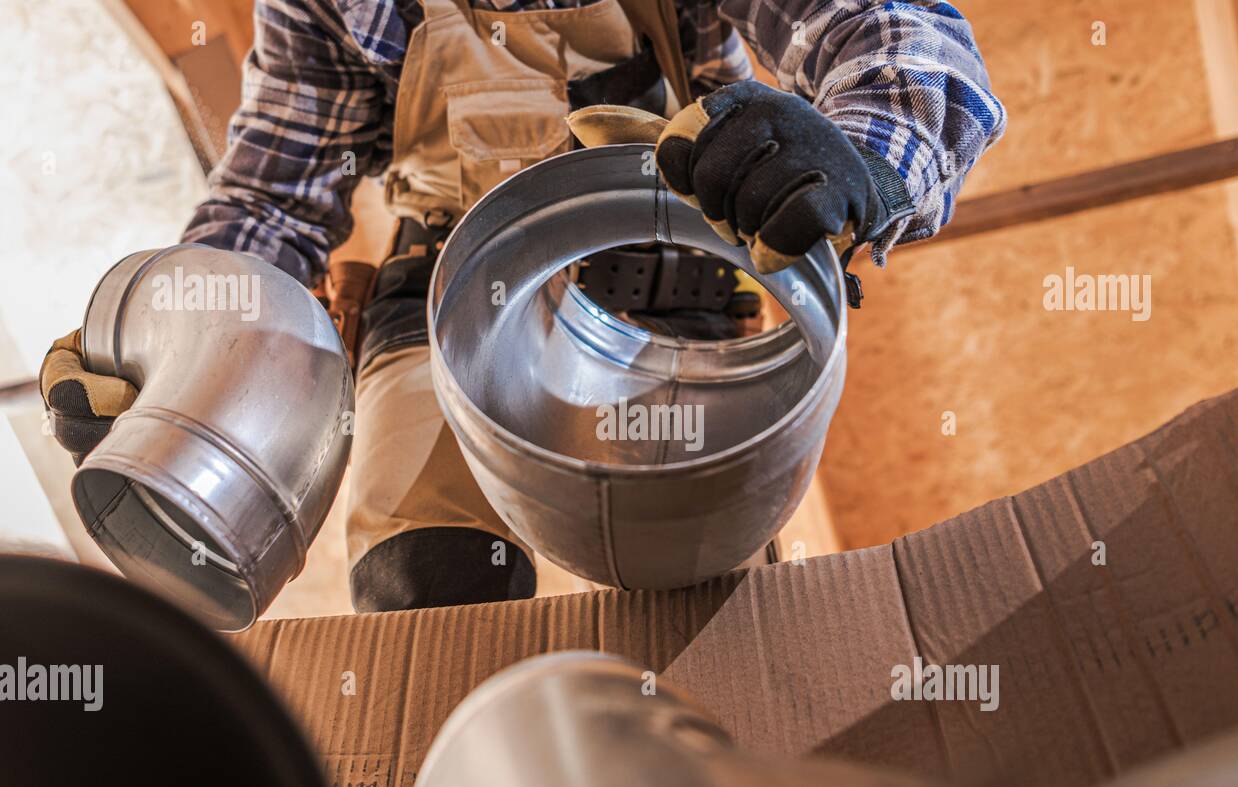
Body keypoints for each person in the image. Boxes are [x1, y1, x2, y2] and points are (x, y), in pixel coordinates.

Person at [40, 0, 1006, 612]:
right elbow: (271, 198)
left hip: (663, 290)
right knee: (432, 592)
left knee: (696, 610)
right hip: (440, 305)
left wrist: (868, 154)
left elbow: (896, 35)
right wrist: (170, 340)